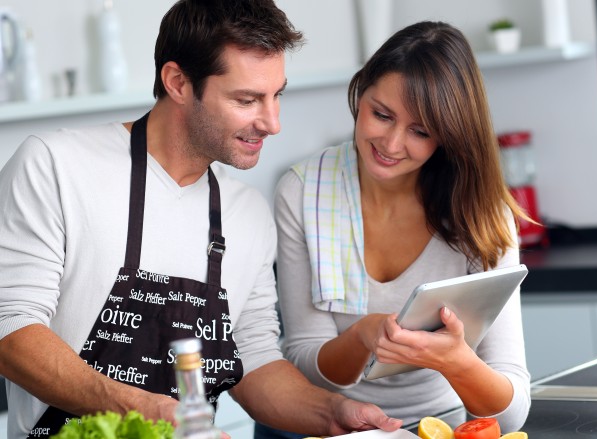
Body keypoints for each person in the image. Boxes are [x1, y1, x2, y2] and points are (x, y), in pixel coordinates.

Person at [0, 1, 403, 438]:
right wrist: (142, 409)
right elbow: (11, 329)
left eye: (276, 95)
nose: (272, 123)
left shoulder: (246, 213)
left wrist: (332, 413)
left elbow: (254, 359)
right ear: (177, 82)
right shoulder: (56, 166)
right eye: (247, 99)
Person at [264, 20, 532, 438]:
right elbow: (304, 366)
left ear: (448, 136)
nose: (391, 144)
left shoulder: (482, 214)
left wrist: (457, 361)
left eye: (420, 131)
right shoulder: (302, 192)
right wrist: (362, 337)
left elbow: (511, 414)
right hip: (326, 427)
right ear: (360, 92)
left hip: (437, 428)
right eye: (381, 115)